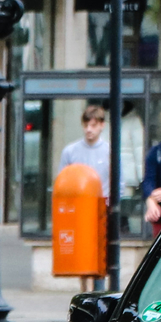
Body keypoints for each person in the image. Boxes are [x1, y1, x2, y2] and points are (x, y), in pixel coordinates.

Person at [56, 105, 113, 293]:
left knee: (100, 257)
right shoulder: (70, 151)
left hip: (101, 209)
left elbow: (116, 181)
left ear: (102, 126)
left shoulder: (109, 151)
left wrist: (111, 204)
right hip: (79, 211)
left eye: (94, 125)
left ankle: (99, 293)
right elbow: (62, 181)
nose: (89, 129)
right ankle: (83, 293)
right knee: (81, 257)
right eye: (86, 125)